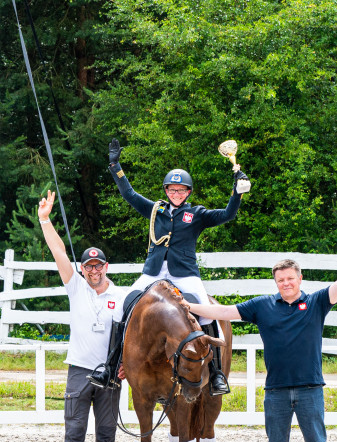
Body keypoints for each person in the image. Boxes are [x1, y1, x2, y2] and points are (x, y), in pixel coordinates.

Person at [186, 230, 337, 442]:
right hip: (276, 391)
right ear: (276, 282)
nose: (286, 283)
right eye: (281, 280)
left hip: (310, 389)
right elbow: (224, 311)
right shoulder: (263, 306)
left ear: (300, 279)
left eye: (290, 278)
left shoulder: (318, 302)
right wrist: (188, 306)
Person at [87, 138, 251, 395]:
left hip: (184, 274)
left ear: (188, 192)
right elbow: (129, 195)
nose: (176, 194)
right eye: (172, 190)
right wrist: (115, 166)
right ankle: (110, 367)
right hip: (153, 272)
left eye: (181, 191)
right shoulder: (155, 210)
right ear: (166, 191)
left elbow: (227, 214)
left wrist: (237, 191)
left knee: (209, 314)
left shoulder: (197, 214)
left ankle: (216, 373)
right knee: (121, 308)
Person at [38, 191, 125, 442]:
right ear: (83, 268)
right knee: (73, 435)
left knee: (106, 437)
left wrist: (126, 365)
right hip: (79, 371)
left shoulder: (121, 296)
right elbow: (58, 251)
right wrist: (45, 220)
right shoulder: (75, 286)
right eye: (88, 266)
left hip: (110, 376)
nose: (93, 271)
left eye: (98, 266)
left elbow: (128, 337)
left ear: (106, 267)